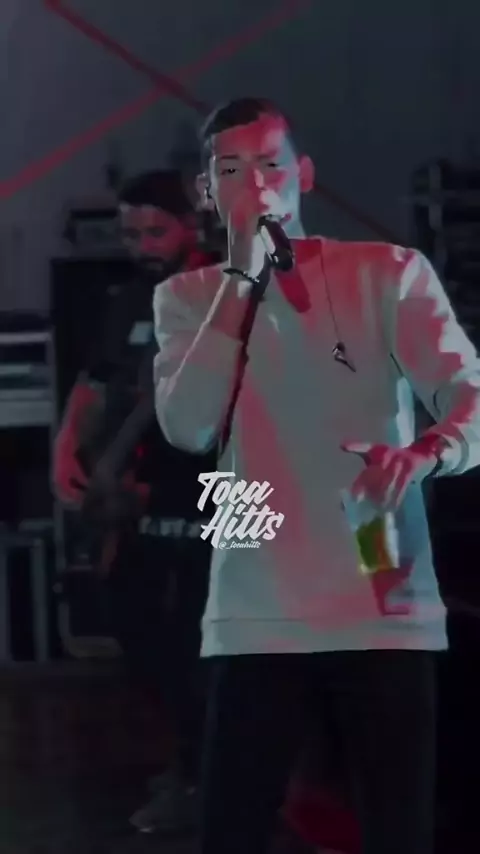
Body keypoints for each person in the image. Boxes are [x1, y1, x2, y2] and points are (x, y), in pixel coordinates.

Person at [152, 97, 480, 854]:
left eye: (270, 164)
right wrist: (241, 277)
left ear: (302, 174)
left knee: (398, 829)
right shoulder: (187, 299)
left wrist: (426, 453)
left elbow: (467, 393)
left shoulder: (387, 273)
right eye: (232, 170)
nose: (256, 184)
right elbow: (188, 425)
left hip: (380, 593)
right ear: (207, 191)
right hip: (256, 602)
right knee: (232, 828)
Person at [53, 169, 216, 834]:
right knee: (137, 626)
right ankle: (194, 762)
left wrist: (120, 473)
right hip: (138, 496)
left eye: (155, 232)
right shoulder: (128, 299)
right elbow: (94, 380)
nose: (142, 245)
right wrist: (67, 446)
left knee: (197, 638)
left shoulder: (218, 294)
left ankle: (206, 779)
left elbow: (175, 397)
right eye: (130, 233)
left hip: (210, 490)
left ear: (191, 227)